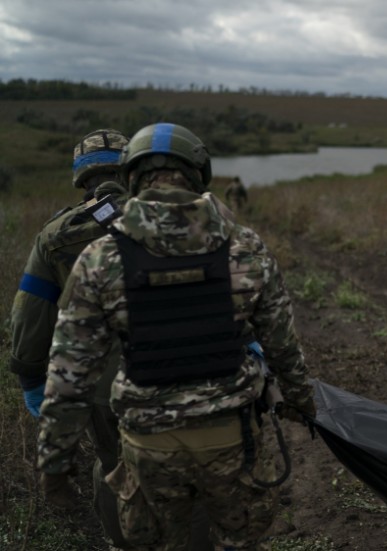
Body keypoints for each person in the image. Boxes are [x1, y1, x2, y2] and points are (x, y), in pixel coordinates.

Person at [37, 122, 316, 551]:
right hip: (230, 437)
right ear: (199, 171)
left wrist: (54, 466)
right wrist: (301, 402)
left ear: (131, 176)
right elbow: (282, 346)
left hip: (147, 446)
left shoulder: (101, 258)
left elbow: (70, 375)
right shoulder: (245, 247)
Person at [8, 128, 140, 548]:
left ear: (80, 179)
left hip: (100, 384)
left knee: (114, 464)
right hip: (179, 372)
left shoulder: (54, 236)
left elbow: (30, 317)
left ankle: (124, 542)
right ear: (130, 170)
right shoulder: (169, 218)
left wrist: (31, 380)